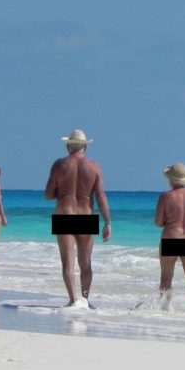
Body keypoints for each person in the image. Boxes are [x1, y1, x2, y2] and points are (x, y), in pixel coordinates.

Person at [44, 129, 111, 307]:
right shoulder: (95, 166)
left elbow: (48, 195)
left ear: (68, 147)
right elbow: (101, 196)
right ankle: (85, 299)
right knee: (86, 262)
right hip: (86, 217)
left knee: (68, 262)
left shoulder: (59, 165)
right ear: (85, 147)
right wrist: (107, 222)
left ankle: (73, 300)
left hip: (64, 215)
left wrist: (63, 192)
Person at [155, 162, 185, 305]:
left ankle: (164, 309)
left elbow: (158, 222)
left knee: (166, 278)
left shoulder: (166, 196)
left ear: (170, 179)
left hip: (171, 238)